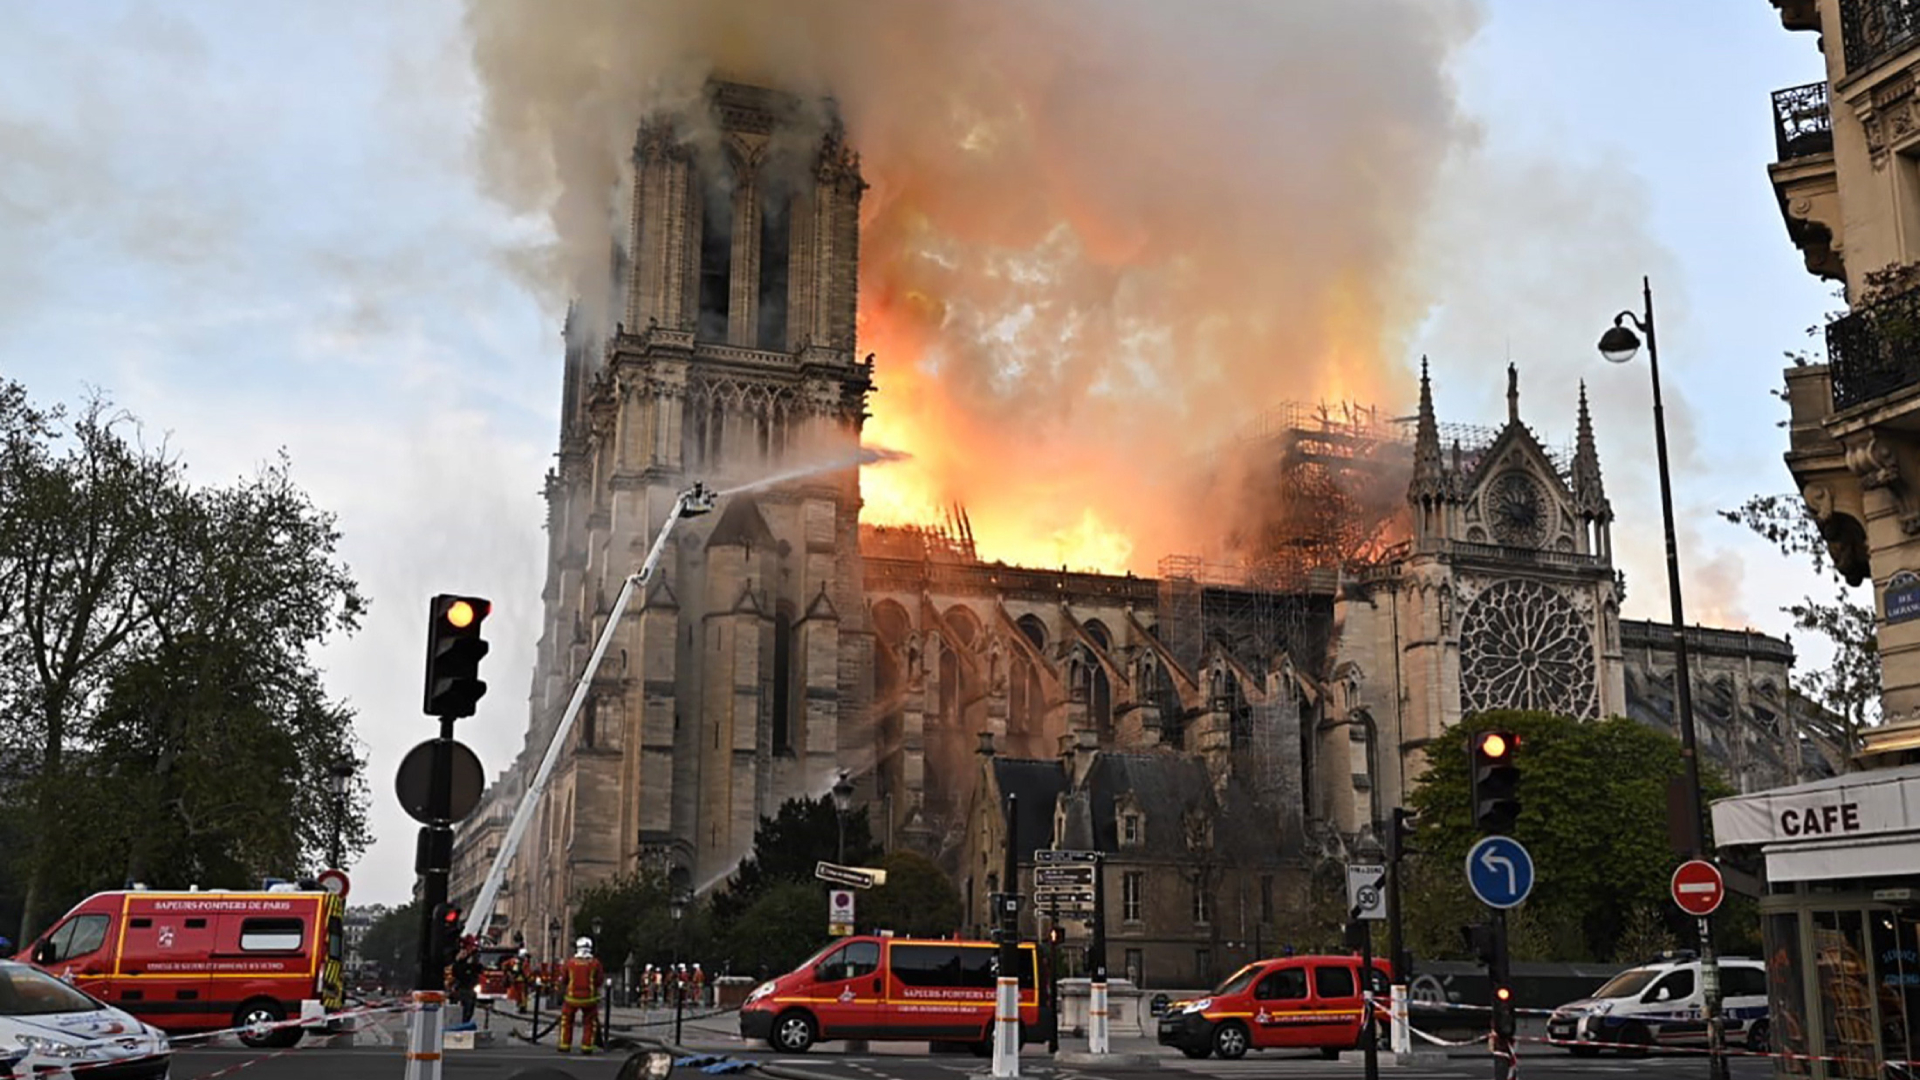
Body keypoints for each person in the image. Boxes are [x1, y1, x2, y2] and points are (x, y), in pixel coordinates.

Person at [558, 937, 604, 1054]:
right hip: (589, 998)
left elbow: (564, 979)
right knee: (589, 1023)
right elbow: (599, 980)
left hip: (571, 998)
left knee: (566, 1021)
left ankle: (565, 1044)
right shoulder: (595, 963)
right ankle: (586, 1046)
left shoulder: (570, 963)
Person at [448, 937, 483, 1026]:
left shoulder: (474, 959)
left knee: (469, 1009)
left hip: (469, 988)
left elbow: (478, 970)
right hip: (461, 988)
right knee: (459, 1009)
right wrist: (460, 961)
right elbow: (456, 972)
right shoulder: (459, 958)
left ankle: (465, 1023)